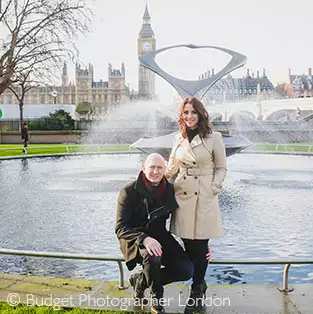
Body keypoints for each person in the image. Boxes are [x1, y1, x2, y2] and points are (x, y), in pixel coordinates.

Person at [165, 97, 227, 313]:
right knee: (190, 247)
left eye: (193, 112)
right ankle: (199, 283)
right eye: (186, 112)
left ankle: (196, 292)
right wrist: (152, 182)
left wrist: (214, 187)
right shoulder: (178, 138)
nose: (189, 116)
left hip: (204, 197)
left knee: (200, 248)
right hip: (182, 197)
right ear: (181, 115)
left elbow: (221, 168)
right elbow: (171, 167)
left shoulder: (214, 137)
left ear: (201, 114)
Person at [115, 153, 193, 314]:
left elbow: (185, 218)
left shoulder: (170, 189)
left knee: (186, 270)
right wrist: (145, 239)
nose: (156, 171)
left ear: (164, 169)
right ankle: (157, 298)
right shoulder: (128, 192)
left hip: (160, 235)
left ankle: (140, 281)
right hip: (135, 238)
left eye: (159, 168)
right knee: (152, 256)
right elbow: (120, 227)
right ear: (143, 168)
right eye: (152, 167)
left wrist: (202, 244)